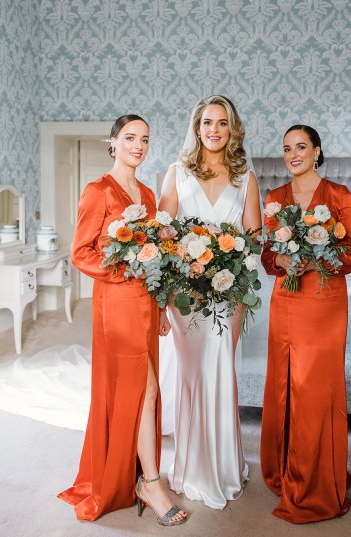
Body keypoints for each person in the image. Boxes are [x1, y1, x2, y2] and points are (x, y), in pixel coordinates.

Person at [57, 115, 187, 526]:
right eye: (130, 137)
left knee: (144, 392)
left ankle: (141, 477)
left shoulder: (148, 197)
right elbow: (81, 252)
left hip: (146, 308)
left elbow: (157, 259)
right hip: (116, 305)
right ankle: (150, 482)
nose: (139, 145)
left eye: (145, 139)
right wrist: (126, 269)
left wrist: (163, 305)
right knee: (143, 390)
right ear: (113, 142)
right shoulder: (98, 191)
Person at [159, 95, 262, 509]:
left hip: (228, 292)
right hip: (185, 296)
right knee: (191, 375)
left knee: (220, 371)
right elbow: (164, 235)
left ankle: (222, 467)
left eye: (222, 122)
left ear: (232, 129)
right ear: (196, 127)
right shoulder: (176, 173)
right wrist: (169, 289)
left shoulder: (246, 178)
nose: (214, 129)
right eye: (206, 122)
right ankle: (188, 467)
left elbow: (254, 237)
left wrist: (233, 259)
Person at [260, 125, 351, 523]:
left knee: (315, 389)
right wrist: (282, 261)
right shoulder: (275, 198)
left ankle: (317, 479)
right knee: (285, 384)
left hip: (323, 303)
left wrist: (317, 260)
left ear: (317, 150)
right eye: (287, 149)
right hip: (285, 302)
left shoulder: (338, 195)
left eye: (301, 147)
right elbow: (268, 256)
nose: (293, 155)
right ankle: (286, 469)